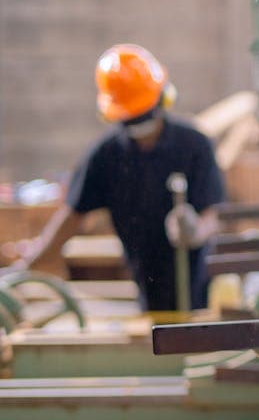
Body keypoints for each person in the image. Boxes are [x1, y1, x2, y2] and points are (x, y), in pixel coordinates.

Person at [11, 44, 224, 311]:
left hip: (198, 287)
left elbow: (213, 214)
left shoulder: (194, 145)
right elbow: (72, 217)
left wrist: (195, 231)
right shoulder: (106, 156)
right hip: (145, 282)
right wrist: (26, 267)